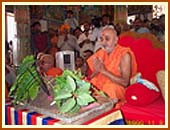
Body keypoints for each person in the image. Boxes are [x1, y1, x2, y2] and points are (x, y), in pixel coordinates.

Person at [87, 27, 137, 108]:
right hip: (101, 86)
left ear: (116, 40)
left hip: (117, 88)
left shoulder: (124, 55)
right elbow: (92, 77)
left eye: (107, 39)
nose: (103, 43)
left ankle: (104, 113)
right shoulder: (99, 54)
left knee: (110, 88)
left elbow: (125, 83)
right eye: (101, 39)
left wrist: (104, 71)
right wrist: (96, 71)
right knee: (89, 85)